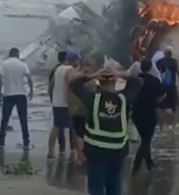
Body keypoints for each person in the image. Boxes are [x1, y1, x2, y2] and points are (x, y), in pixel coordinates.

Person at [70, 67, 130, 195]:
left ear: (99, 82)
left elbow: (74, 84)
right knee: (114, 185)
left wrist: (93, 75)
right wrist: (119, 74)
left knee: (96, 187)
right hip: (118, 150)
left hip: (96, 151)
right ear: (115, 82)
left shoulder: (92, 99)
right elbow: (138, 82)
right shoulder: (124, 99)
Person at [131, 58, 166, 175]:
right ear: (151, 68)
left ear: (140, 67)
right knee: (146, 140)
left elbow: (128, 95)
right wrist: (156, 102)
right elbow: (163, 94)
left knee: (144, 139)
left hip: (136, 114)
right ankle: (137, 165)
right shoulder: (155, 80)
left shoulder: (135, 80)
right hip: (150, 113)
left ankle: (149, 163)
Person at [0, 47, 33, 149]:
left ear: (9, 54)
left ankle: (1, 142)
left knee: (4, 119)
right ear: (17, 54)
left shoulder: (4, 64)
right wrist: (31, 90)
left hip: (8, 95)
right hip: (21, 94)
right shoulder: (22, 64)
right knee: (23, 120)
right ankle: (26, 142)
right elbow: (29, 78)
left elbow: (0, 79)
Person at [47, 50, 75, 158]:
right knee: (73, 128)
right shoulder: (69, 69)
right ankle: (74, 152)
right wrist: (69, 101)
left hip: (57, 102)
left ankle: (55, 150)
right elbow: (69, 85)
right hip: (65, 103)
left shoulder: (56, 69)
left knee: (57, 127)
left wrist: (52, 99)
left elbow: (51, 86)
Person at [155, 46, 179, 131]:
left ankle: (161, 128)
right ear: (171, 54)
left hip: (162, 88)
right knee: (173, 109)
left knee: (160, 108)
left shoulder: (158, 62)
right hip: (171, 88)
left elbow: (156, 75)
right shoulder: (175, 62)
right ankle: (173, 128)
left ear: (164, 53)